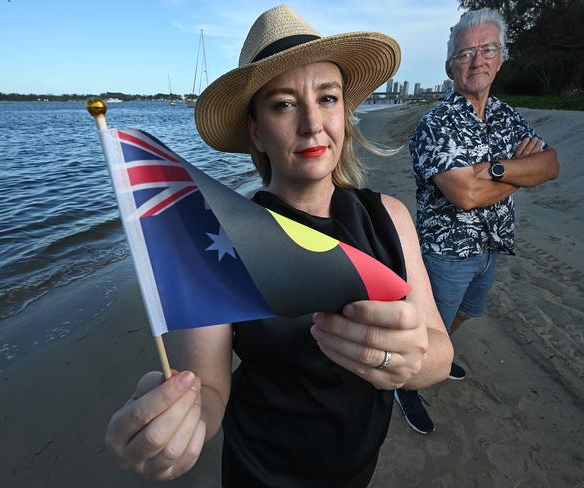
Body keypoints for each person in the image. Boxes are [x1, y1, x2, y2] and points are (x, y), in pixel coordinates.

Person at [105, 5, 453, 486]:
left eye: (327, 98)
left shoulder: (389, 217)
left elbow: (439, 351)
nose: (312, 123)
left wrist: (411, 363)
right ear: (255, 130)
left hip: (359, 462)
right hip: (262, 472)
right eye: (284, 104)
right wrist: (176, 425)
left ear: (345, 115)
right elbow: (207, 390)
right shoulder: (222, 237)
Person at [398, 7, 559, 435]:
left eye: (488, 49)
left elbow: (550, 164)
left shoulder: (507, 116)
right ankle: (406, 385)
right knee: (426, 326)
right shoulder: (437, 123)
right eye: (466, 53)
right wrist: (517, 172)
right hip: (446, 253)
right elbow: (464, 195)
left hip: (492, 247)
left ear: (501, 57)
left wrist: (497, 171)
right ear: (450, 64)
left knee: (469, 311)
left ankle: (440, 350)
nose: (477, 60)